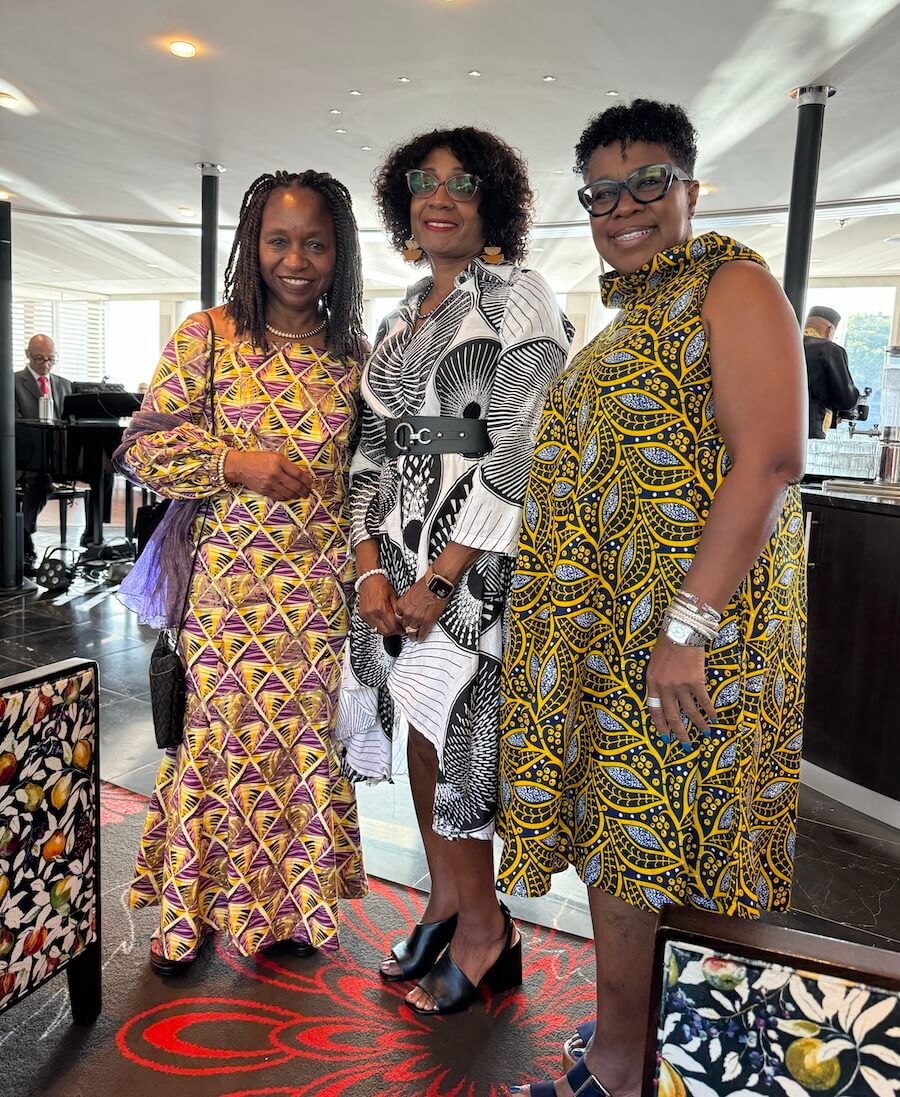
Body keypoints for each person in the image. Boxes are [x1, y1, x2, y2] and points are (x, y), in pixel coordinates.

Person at [497, 100, 807, 1097]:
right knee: (626, 847)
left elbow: (768, 460)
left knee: (677, 848)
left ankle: (649, 1064)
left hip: (678, 639)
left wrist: (686, 627)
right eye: (600, 192)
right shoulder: (636, 310)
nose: (622, 206)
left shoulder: (735, 283)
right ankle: (629, 1049)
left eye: (647, 183)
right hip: (607, 641)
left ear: (690, 189)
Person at [336, 127, 573, 1015]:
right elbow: (369, 453)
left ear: (493, 201)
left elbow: (512, 449)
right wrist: (370, 571)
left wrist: (440, 577)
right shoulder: (399, 317)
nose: (440, 196)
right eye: (422, 182)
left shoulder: (519, 298)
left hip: (465, 568)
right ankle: (446, 904)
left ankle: (487, 930)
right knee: (422, 735)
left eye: (461, 183)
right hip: (391, 570)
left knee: (462, 741)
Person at [115, 170, 369, 975]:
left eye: (316, 243)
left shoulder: (353, 359)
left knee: (301, 750)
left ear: (342, 254)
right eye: (279, 240)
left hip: (319, 594)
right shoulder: (210, 335)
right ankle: (186, 924)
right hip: (227, 589)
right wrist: (234, 462)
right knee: (215, 747)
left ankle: (289, 912)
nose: (296, 259)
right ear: (252, 246)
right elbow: (143, 447)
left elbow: (366, 478)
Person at [14, 335, 72, 568]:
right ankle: (25, 536)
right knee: (41, 480)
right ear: (28, 355)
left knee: (102, 473)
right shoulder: (13, 382)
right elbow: (15, 425)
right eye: (39, 358)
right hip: (27, 458)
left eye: (51, 359)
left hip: (61, 457)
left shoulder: (65, 384)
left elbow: (70, 420)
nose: (46, 364)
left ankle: (93, 536)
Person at [803, 305, 859, 438]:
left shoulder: (783, 345)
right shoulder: (829, 350)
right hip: (810, 429)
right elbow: (846, 400)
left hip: (769, 427)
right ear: (830, 330)